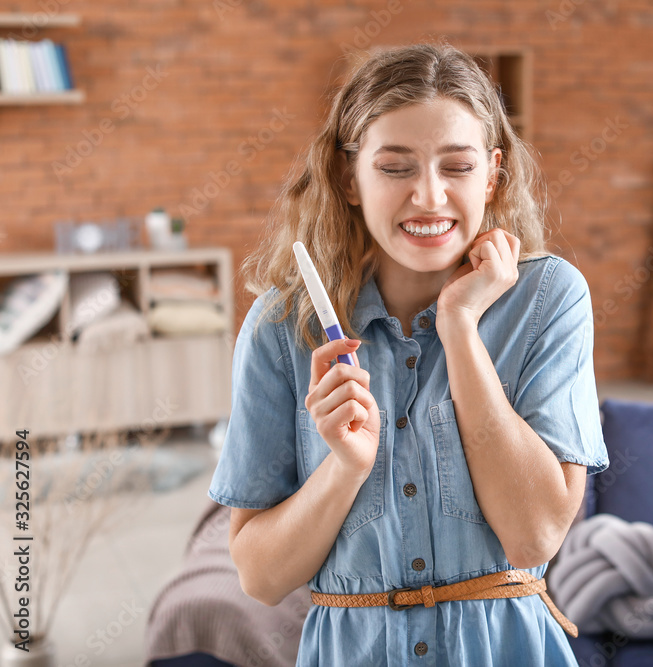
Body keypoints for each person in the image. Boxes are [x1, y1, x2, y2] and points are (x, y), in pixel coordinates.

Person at [207, 42, 609, 666]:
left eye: (457, 166)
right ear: (349, 178)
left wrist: (461, 326)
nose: (428, 196)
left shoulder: (549, 299)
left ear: (494, 173)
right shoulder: (283, 328)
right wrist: (345, 466)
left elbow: (535, 536)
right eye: (396, 167)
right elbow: (260, 578)